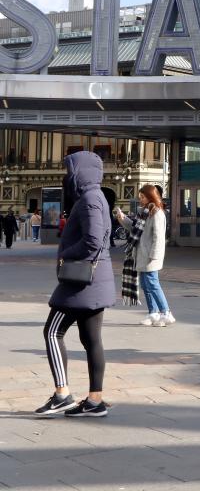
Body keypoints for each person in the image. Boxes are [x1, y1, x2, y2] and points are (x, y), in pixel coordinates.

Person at [35, 151, 114, 417]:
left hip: (79, 282)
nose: (68, 176)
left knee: (52, 332)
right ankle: (94, 401)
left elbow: (92, 241)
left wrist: (66, 254)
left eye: (70, 170)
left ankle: (62, 394)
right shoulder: (97, 196)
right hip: (95, 280)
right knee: (91, 339)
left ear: (80, 172)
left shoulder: (90, 199)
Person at [116, 185, 173, 327]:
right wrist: (122, 218)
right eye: (140, 197)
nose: (140, 199)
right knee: (146, 285)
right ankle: (153, 313)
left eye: (142, 197)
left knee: (152, 284)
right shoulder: (144, 213)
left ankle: (166, 313)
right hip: (141, 254)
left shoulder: (157, 214)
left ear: (150, 197)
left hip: (150, 256)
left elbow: (158, 237)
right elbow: (135, 228)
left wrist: (154, 256)